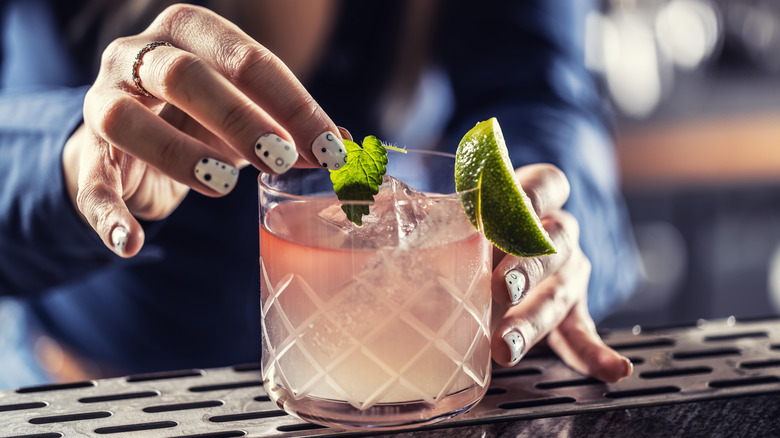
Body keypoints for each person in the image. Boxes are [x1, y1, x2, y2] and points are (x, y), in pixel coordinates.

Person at [0, 0, 640, 389]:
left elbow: (536, 89)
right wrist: (78, 157)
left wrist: (538, 226)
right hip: (76, 386)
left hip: (367, 394)